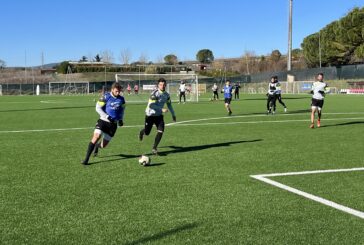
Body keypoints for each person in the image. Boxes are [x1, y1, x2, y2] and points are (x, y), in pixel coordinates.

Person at [82, 82, 125, 165]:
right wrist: (107, 116)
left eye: (119, 91)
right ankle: (86, 159)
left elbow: (122, 110)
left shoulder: (121, 99)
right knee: (96, 136)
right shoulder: (106, 96)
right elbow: (97, 108)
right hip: (103, 121)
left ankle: (97, 147)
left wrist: (120, 119)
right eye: (116, 91)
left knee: (103, 145)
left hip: (113, 125)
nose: (118, 93)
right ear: (112, 90)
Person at [139, 78, 176, 155]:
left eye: (163, 84)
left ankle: (154, 148)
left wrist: (173, 114)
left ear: (165, 85)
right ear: (158, 85)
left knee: (161, 131)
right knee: (147, 132)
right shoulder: (154, 94)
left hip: (159, 116)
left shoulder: (167, 95)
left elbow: (169, 104)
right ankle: (142, 132)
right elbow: (151, 105)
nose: (162, 86)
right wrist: (161, 109)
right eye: (160, 84)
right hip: (150, 115)